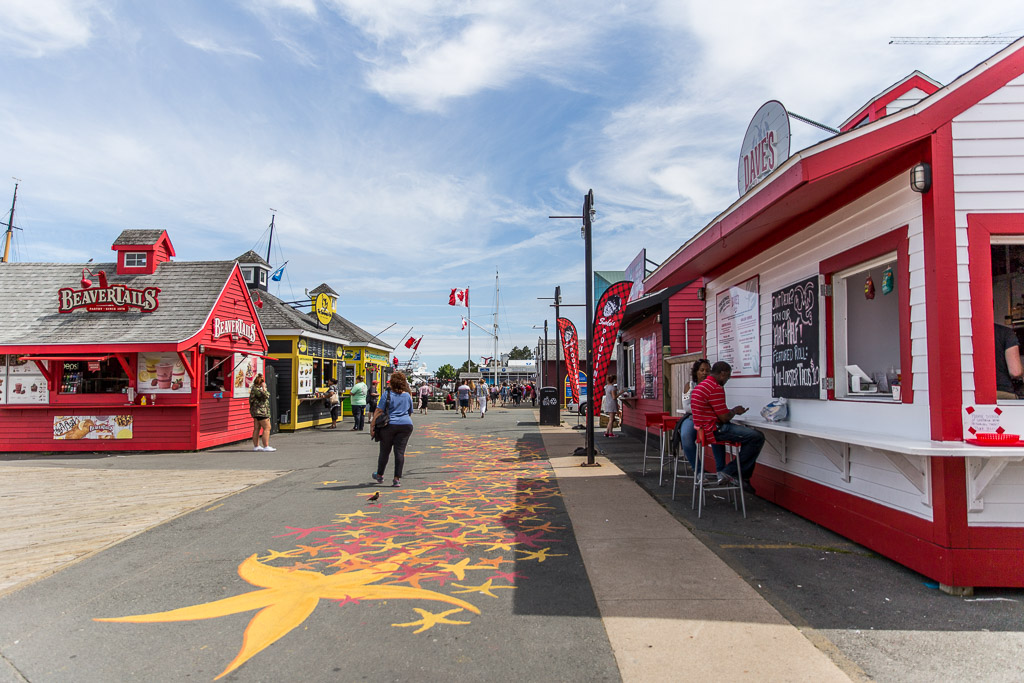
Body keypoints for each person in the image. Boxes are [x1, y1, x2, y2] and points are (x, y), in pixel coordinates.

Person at [690, 361, 764, 494]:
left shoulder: (700, 387)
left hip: (703, 431)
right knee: (757, 437)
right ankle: (731, 473)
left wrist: (729, 411)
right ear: (722, 374)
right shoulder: (715, 387)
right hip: (715, 430)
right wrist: (734, 410)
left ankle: (740, 477)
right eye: (728, 377)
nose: (727, 380)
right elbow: (724, 418)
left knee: (752, 437)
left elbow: (715, 412)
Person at [674, 359, 725, 477]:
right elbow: (687, 407)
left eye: (707, 370)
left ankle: (721, 472)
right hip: (693, 417)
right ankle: (698, 471)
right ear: (696, 372)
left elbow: (719, 406)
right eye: (701, 370)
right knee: (685, 435)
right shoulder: (690, 385)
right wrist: (705, 410)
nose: (704, 373)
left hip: (711, 419)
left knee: (718, 434)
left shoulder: (717, 386)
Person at [369, 371, 414, 487]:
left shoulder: (387, 394)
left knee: (385, 451)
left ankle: (379, 475)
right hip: (406, 425)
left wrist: (372, 425)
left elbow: (379, 410)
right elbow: (410, 412)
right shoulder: (407, 395)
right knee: (400, 452)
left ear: (392, 383)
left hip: (389, 424)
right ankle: (396, 479)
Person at [995, 324, 1023, 400]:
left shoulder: (966, 332)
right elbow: (1015, 372)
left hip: (973, 394)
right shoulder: (1006, 333)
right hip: (1002, 392)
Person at [249, 373, 275, 452]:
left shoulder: (254, 388)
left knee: (257, 428)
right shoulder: (257, 390)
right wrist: (264, 388)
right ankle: (266, 446)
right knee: (267, 428)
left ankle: (256, 446)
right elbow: (266, 396)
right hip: (261, 411)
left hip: (256, 411)